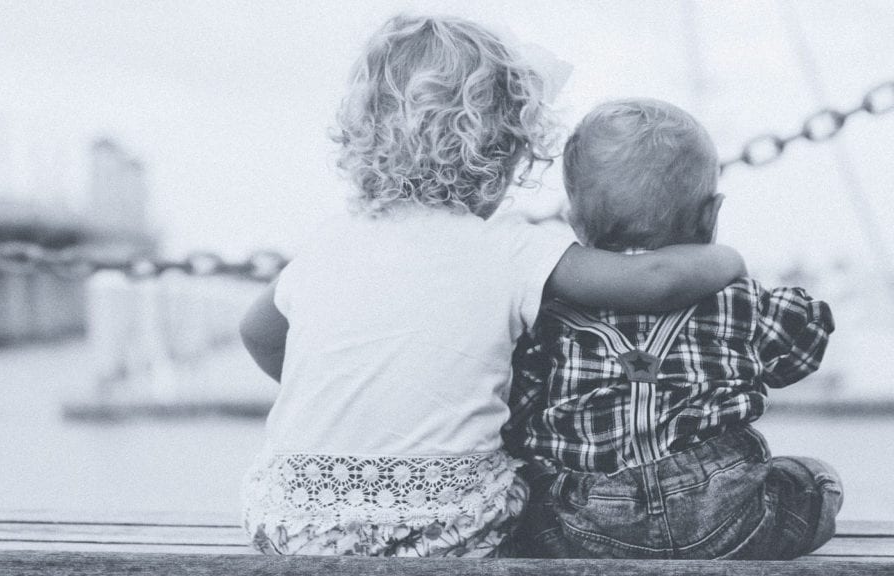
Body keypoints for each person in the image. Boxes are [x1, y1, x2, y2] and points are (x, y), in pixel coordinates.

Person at [239, 17, 746, 557]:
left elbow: (258, 333)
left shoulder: (330, 243)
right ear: (505, 155)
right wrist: (727, 258)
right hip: (443, 531)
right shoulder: (510, 249)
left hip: (289, 523)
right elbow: (654, 279)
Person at [503, 98, 841, 559]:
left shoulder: (548, 318)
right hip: (730, 519)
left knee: (529, 510)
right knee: (816, 481)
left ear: (575, 222)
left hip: (590, 528)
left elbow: (518, 413)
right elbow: (802, 352)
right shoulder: (737, 302)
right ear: (711, 215)